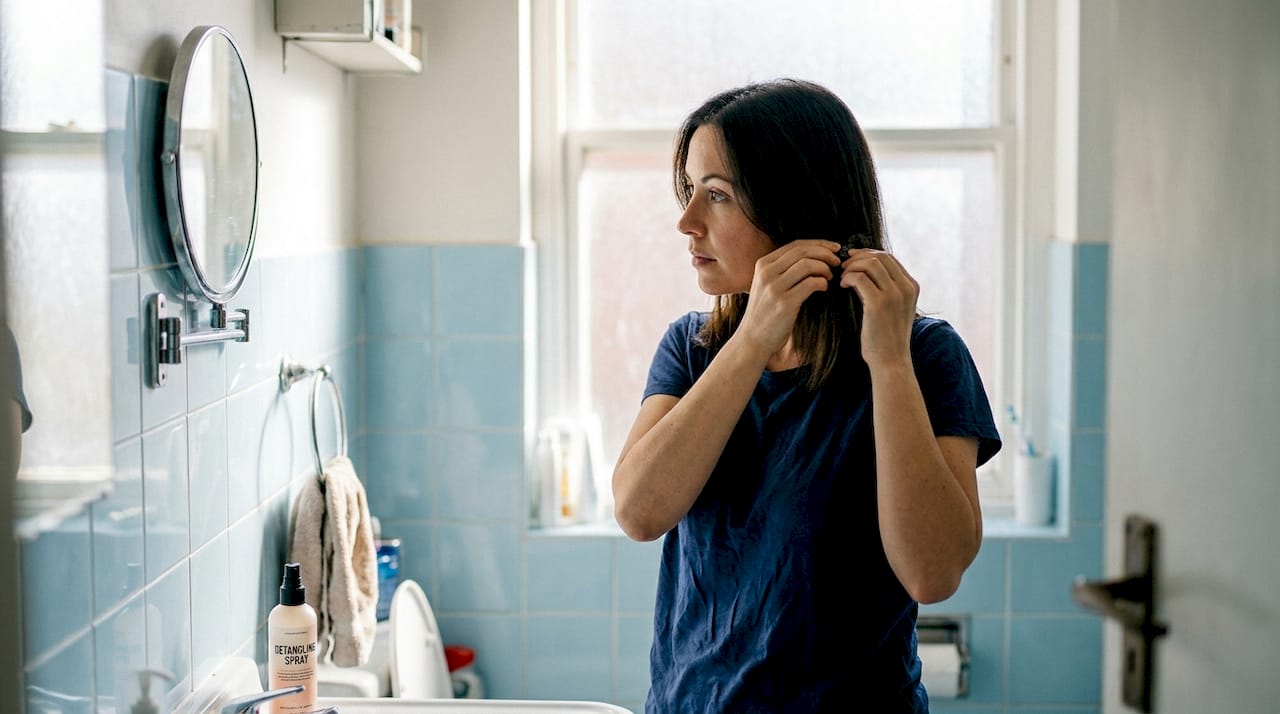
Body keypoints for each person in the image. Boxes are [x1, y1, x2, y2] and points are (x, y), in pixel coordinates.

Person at [611, 78, 1002, 713]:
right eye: (690, 192)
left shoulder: (924, 354)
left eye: (716, 196)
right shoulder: (692, 348)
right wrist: (754, 336)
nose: (687, 223)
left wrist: (889, 362)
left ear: (794, 207)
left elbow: (932, 574)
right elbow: (639, 512)